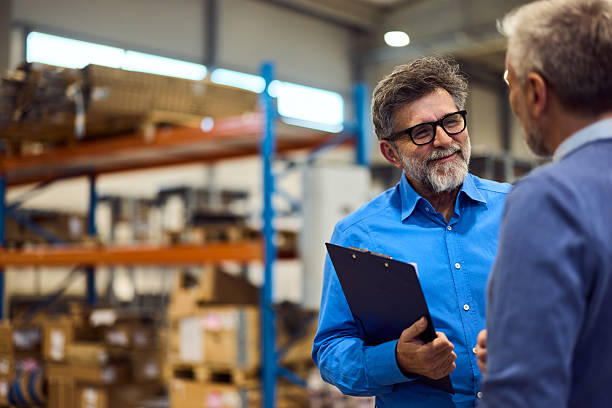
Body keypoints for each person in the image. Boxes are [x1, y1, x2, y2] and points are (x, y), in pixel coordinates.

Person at [311, 55, 511, 408]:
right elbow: (331, 352)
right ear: (391, 153)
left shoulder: (519, 209)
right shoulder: (360, 236)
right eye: (421, 132)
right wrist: (398, 361)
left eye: (452, 122)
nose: (444, 140)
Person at [476, 1, 612, 407]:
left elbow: (523, 397)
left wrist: (516, 363)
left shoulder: (550, 198)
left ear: (536, 92)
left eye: (509, 81)